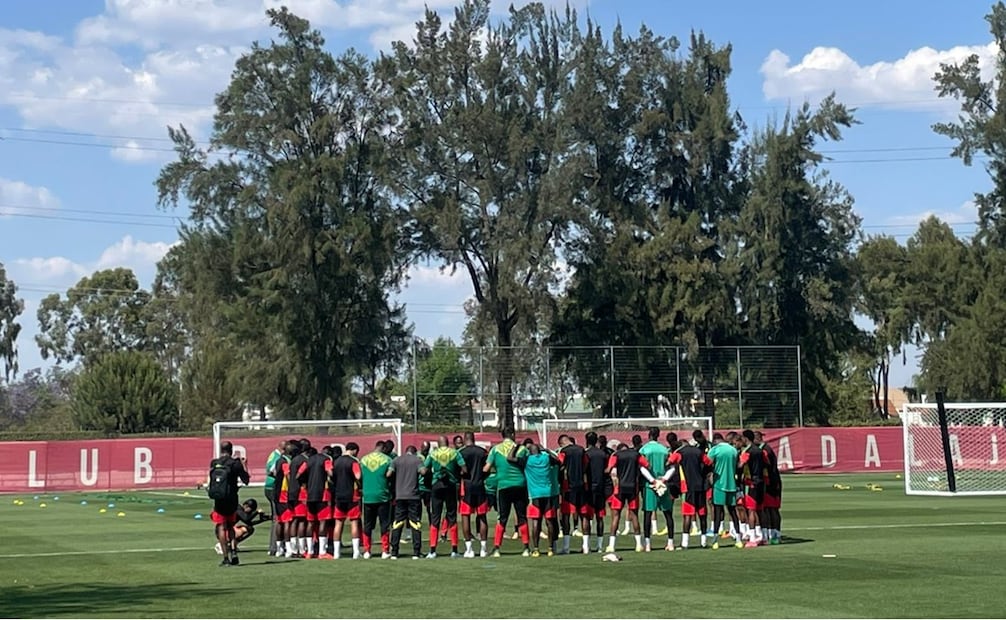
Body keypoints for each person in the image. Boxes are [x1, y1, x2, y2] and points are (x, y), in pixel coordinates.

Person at [508, 442, 560, 557]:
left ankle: (536, 549)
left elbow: (510, 458)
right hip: (548, 493)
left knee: (536, 521)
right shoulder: (546, 458)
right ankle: (550, 548)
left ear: (530, 452)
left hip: (534, 495)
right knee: (549, 521)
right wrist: (547, 450)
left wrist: (516, 446)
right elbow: (557, 460)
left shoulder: (527, 460)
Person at [484, 427, 530, 557]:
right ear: (513, 435)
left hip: (503, 486)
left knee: (502, 518)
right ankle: (526, 548)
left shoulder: (495, 449)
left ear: (502, 435)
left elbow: (486, 468)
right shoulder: (523, 449)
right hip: (520, 485)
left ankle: (497, 549)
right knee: (522, 517)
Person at [421, 435, 467, 558]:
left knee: (435, 517)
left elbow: (424, 471)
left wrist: (431, 473)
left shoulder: (433, 454)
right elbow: (464, 469)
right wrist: (455, 472)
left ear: (438, 443)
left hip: (436, 486)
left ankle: (432, 550)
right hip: (451, 486)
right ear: (448, 443)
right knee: (452, 516)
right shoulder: (454, 453)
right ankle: (454, 550)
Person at [207, 441, 250, 567]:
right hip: (232, 498)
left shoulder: (215, 463)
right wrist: (244, 465)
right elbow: (246, 480)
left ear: (221, 450)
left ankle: (226, 557)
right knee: (231, 526)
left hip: (219, 498)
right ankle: (234, 552)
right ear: (231, 450)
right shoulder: (235, 464)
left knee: (221, 526)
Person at [667, 435, 713, 549]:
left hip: (688, 487)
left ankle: (685, 543)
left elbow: (669, 462)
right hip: (700, 486)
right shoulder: (698, 451)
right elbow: (709, 462)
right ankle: (703, 542)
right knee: (702, 514)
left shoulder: (679, 453)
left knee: (688, 514)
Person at [638, 427, 676, 552]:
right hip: (663, 485)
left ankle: (648, 544)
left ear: (649, 435)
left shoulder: (644, 449)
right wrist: (664, 479)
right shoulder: (665, 450)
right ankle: (670, 543)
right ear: (658, 435)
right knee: (668, 514)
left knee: (648, 514)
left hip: (649, 485)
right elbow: (672, 467)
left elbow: (642, 468)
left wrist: (652, 480)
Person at [605, 442, 646, 553]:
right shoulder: (636, 454)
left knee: (616, 516)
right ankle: (639, 545)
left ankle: (611, 545)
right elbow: (647, 465)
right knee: (634, 515)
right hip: (633, 487)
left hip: (620, 488)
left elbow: (609, 469)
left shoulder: (616, 455)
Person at [706, 433, 743, 549]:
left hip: (719, 485)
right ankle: (738, 539)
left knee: (718, 512)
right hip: (731, 484)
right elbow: (738, 466)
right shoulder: (733, 450)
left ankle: (715, 540)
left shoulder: (714, 450)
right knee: (733, 512)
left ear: (715, 441)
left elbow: (707, 463)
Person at [360, 440, 394, 559]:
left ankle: (367, 551)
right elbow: (389, 475)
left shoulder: (363, 459)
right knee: (384, 524)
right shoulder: (388, 460)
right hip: (382, 496)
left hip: (367, 496)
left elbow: (360, 476)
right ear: (383, 448)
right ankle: (385, 551)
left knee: (368, 524)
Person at [388, 446, 424, 559]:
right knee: (415, 523)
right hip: (413, 496)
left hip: (400, 496)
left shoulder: (396, 460)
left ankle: (394, 551)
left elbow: (389, 474)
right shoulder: (417, 460)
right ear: (414, 452)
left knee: (398, 522)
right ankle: (416, 552)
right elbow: (423, 471)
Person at [458, 432, 490, 558]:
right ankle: (483, 549)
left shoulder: (461, 453)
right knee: (482, 516)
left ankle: (469, 549)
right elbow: (488, 468)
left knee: (465, 516)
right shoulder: (482, 452)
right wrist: (482, 477)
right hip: (480, 485)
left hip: (466, 487)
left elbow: (459, 470)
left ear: (464, 439)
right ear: (473, 439)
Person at [332, 442, 363, 559]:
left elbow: (331, 476)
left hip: (339, 495)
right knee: (354, 522)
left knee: (338, 523)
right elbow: (358, 476)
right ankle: (356, 552)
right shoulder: (353, 461)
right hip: (352, 495)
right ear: (354, 450)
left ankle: (336, 553)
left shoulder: (336, 461)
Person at [557, 434, 587, 554]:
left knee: (566, 515)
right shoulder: (581, 450)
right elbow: (586, 464)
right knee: (583, 515)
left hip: (568, 486)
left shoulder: (564, 452)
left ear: (562, 443)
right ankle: (586, 546)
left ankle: (566, 547)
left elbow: (559, 464)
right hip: (581, 485)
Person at [305, 445, 333, 558]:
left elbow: (299, 474)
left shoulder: (309, 460)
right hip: (322, 495)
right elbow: (330, 472)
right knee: (323, 522)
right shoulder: (326, 460)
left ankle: (309, 551)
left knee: (310, 522)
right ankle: (322, 552)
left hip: (310, 494)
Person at [755, 430, 783, 544]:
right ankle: (770, 533)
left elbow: (768, 467)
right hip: (768, 482)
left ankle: (776, 534)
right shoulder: (763, 449)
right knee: (767, 508)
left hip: (771, 483)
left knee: (772, 509)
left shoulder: (765, 450)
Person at [583, 431, 609, 554]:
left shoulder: (586, 454)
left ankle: (586, 546)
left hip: (589, 489)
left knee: (586, 517)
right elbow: (606, 470)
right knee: (600, 517)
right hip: (601, 488)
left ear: (586, 441)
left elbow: (584, 470)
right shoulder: (603, 454)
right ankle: (599, 546)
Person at [739, 430, 765, 547]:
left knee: (751, 510)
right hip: (761, 481)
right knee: (759, 510)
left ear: (746, 438)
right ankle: (761, 535)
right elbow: (766, 464)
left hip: (751, 483)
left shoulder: (748, 452)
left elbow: (740, 465)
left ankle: (753, 537)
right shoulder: (760, 450)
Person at [286, 438, 311, 558]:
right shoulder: (304, 460)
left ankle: (293, 548)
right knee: (302, 520)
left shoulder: (294, 460)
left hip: (291, 491)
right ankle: (301, 549)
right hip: (300, 493)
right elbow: (299, 475)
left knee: (294, 520)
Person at [264, 441, 284, 556]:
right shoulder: (277, 457)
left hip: (270, 487)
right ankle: (274, 547)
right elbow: (270, 471)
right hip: (273, 487)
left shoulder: (273, 455)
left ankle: (276, 546)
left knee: (277, 518)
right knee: (277, 518)